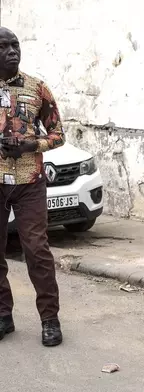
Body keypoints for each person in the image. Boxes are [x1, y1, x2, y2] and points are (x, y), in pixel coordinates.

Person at [0, 27, 65, 346]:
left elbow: (58, 134)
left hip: (29, 182)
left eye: (15, 45)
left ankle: (50, 319)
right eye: (3, 47)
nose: (12, 51)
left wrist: (29, 146)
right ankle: (3, 316)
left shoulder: (37, 87)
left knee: (36, 250)